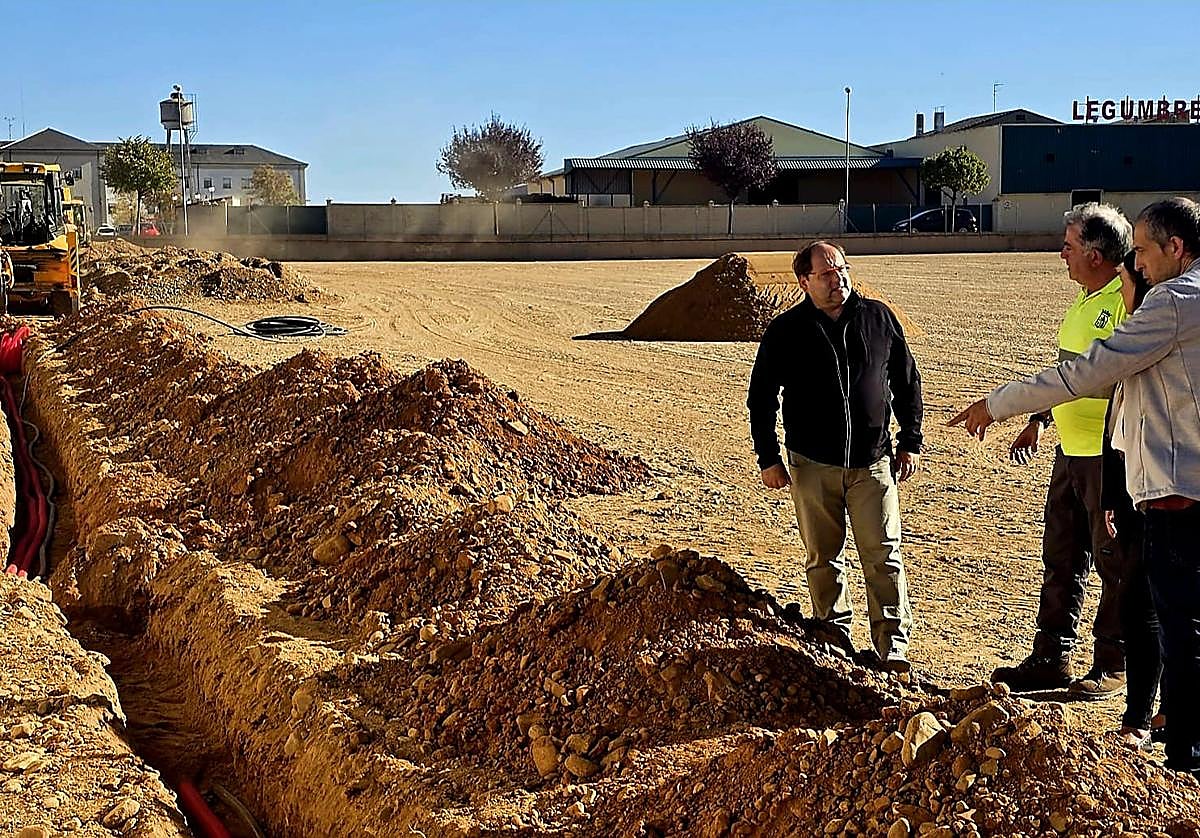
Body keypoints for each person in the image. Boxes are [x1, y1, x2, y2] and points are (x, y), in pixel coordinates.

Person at [949, 197, 1200, 779]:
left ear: (1175, 248)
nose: (1134, 263)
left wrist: (999, 404)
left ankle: (1185, 753)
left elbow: (1089, 372)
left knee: (1174, 620)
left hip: (1177, 490)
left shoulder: (1171, 303)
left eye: (1142, 252)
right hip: (1152, 477)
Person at [747, 239, 923, 672]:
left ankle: (892, 646)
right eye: (826, 274)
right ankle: (834, 635)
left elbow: (906, 381)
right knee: (822, 557)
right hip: (812, 465)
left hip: (873, 463)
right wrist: (768, 457)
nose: (837, 279)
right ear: (804, 281)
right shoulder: (786, 331)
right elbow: (761, 397)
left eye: (842, 269)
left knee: (883, 555)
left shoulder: (878, 318)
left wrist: (910, 440)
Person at [992, 203, 1132, 696]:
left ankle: (1114, 663)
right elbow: (1071, 372)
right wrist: (1039, 419)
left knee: (1114, 560)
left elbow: (1110, 375)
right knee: (1062, 556)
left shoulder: (1125, 301)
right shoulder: (1083, 299)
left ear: (1095, 254)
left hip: (1107, 456)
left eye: (1069, 246)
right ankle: (1051, 658)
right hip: (1069, 451)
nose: (1061, 254)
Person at [1104, 251, 1163, 748]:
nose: (1120, 291)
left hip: (1166, 493)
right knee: (1139, 604)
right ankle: (1149, 712)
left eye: (1125, 281)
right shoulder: (1132, 337)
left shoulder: (1158, 337)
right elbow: (1115, 428)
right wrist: (1111, 495)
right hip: (1130, 492)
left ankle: (1144, 717)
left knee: (1151, 606)